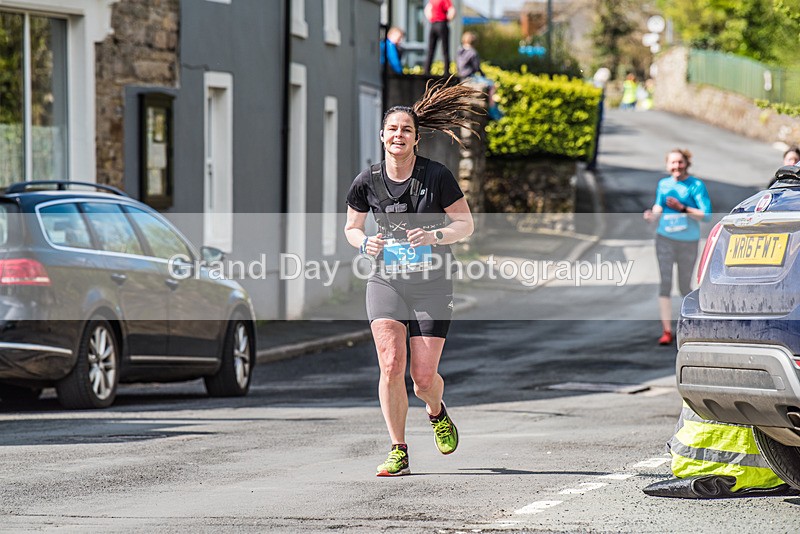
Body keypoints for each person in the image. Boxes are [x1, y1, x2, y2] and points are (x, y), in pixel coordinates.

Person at [344, 79, 481, 476]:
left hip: (432, 283)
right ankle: (398, 448)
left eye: (406, 129)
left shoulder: (436, 176)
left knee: (422, 379)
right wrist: (363, 243)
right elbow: (352, 227)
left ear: (416, 138)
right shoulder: (366, 180)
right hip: (386, 279)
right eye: (392, 129)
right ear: (382, 136)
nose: (398, 135)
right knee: (390, 364)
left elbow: (465, 224)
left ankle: (436, 410)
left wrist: (435, 235)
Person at [643, 148, 712, 345]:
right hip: (664, 238)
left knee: (684, 286)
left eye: (680, 162)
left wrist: (682, 209)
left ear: (686, 164)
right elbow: (658, 206)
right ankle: (666, 331)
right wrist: (651, 215)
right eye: (672, 163)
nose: (676, 166)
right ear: (667, 165)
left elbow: (706, 215)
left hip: (688, 241)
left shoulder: (696, 185)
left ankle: (693, 326)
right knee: (665, 283)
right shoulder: (663, 184)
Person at [456, 31, 501, 120]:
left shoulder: (460, 50)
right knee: (491, 84)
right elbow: (477, 68)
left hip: (461, 77)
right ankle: (492, 108)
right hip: (470, 77)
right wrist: (484, 76)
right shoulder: (473, 52)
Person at [423, 0, 455, 76]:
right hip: (442, 23)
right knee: (445, 49)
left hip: (433, 25)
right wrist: (447, 19)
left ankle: (426, 70)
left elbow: (427, 10)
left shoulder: (432, 0)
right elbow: (452, 11)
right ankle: (446, 71)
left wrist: (431, 18)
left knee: (431, 49)